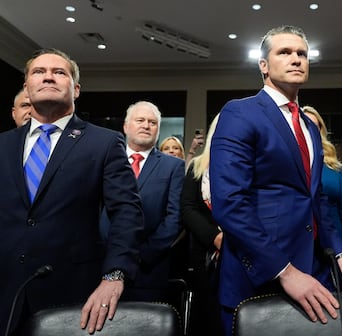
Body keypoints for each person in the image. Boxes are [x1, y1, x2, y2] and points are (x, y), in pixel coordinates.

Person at [209, 25, 342, 335]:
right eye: (285, 52)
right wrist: (285, 271)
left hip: (314, 269)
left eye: (302, 54)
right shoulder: (239, 113)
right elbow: (230, 204)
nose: (296, 59)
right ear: (263, 66)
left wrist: (340, 254)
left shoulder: (309, 125)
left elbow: (315, 199)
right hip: (259, 274)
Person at [0, 48, 144, 335]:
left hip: (73, 292)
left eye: (59, 72)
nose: (49, 77)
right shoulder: (2, 145)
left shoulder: (103, 143)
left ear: (76, 89)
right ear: (27, 87)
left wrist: (114, 275)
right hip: (5, 290)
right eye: (39, 72)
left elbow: (127, 212)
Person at [100, 101, 184, 301]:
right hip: (100, 263)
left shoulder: (174, 166)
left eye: (152, 122)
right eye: (140, 120)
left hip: (148, 270)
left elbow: (174, 219)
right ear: (126, 126)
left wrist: (140, 254)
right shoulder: (104, 160)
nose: (146, 125)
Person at [302, 105, 342, 275]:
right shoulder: (289, 164)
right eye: (305, 124)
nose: (310, 129)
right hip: (302, 248)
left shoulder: (334, 169)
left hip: (336, 249)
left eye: (315, 125)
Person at [180, 114, 222, 335]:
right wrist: (215, 237)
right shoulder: (197, 166)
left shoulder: (250, 164)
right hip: (204, 255)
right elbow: (187, 208)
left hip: (242, 251)